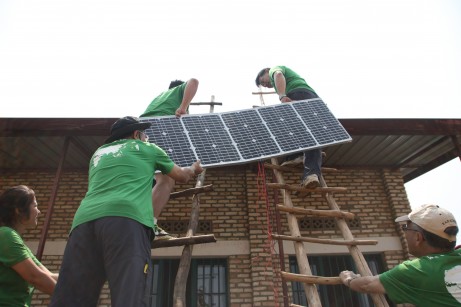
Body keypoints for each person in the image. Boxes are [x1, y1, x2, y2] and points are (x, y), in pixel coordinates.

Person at [50, 116, 203, 307]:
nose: (147, 138)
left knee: (72, 297)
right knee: (129, 294)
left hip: (83, 223)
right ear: (136, 134)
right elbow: (181, 176)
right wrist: (193, 169)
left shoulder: (98, 153)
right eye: (144, 134)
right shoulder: (148, 149)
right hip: (125, 221)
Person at [339, 204, 461, 306]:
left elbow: (367, 285)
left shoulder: (419, 270)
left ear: (418, 237)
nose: (405, 232)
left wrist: (349, 279)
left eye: (405, 227)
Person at [140, 78, 199, 239]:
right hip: (162, 126)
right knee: (167, 178)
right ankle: (148, 224)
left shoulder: (161, 97)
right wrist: (183, 107)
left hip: (144, 131)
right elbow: (193, 81)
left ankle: (140, 219)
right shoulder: (178, 92)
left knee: (154, 178)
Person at [255, 66, 322, 188]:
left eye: (263, 81)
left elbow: (278, 75)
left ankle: (306, 168)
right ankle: (299, 158)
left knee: (304, 133)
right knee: (304, 132)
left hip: (300, 94)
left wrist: (282, 96)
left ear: (266, 71)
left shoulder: (273, 70)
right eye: (263, 85)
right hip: (310, 97)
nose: (266, 85)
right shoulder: (286, 82)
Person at [0, 185, 58, 306]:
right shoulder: (5, 235)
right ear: (19, 210)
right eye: (35, 206)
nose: (39, 211)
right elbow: (35, 278)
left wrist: (86, 274)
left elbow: (48, 276)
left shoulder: (17, 242)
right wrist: (73, 298)